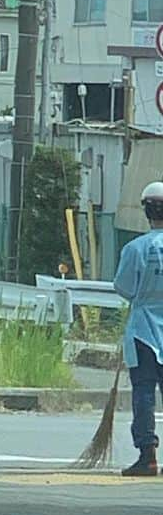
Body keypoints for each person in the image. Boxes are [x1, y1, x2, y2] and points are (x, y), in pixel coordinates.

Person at [112, 181, 163, 476]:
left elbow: (124, 286)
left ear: (146, 210)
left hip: (144, 328)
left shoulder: (136, 248)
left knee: (144, 392)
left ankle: (148, 454)